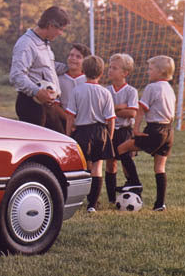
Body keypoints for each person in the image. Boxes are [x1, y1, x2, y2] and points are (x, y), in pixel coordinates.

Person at [117, 55, 176, 212]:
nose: (147, 72)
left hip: (154, 130)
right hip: (169, 131)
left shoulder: (152, 87)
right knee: (159, 167)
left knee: (121, 149)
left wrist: (136, 130)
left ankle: (134, 181)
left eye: (150, 69)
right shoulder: (170, 89)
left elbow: (141, 110)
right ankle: (160, 204)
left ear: (160, 71)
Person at [64, 55, 115, 212]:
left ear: (83, 71)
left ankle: (77, 199)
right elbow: (111, 119)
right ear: (101, 73)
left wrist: (68, 134)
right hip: (100, 132)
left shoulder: (77, 90)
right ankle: (92, 204)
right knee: (97, 167)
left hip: (82, 131)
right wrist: (110, 137)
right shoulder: (105, 92)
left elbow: (70, 116)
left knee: (82, 166)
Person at [9, 6, 69, 128]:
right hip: (32, 106)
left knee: (58, 141)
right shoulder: (26, 44)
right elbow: (16, 76)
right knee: (37, 145)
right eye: (61, 29)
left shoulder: (44, 43)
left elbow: (48, 67)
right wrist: (37, 92)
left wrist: (71, 67)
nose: (61, 33)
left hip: (47, 106)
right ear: (51, 25)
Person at [105, 53, 142, 203]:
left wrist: (113, 110)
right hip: (110, 130)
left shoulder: (131, 91)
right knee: (110, 162)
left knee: (126, 160)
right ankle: (112, 198)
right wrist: (119, 107)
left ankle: (134, 187)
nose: (110, 70)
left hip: (125, 131)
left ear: (125, 73)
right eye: (110, 67)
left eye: (114, 68)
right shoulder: (106, 90)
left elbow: (132, 112)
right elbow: (104, 113)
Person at [52, 42, 90, 134]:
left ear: (85, 61)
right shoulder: (59, 79)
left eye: (78, 57)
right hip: (64, 122)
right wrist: (70, 120)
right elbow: (55, 105)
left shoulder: (88, 80)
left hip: (85, 124)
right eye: (71, 55)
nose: (73, 58)